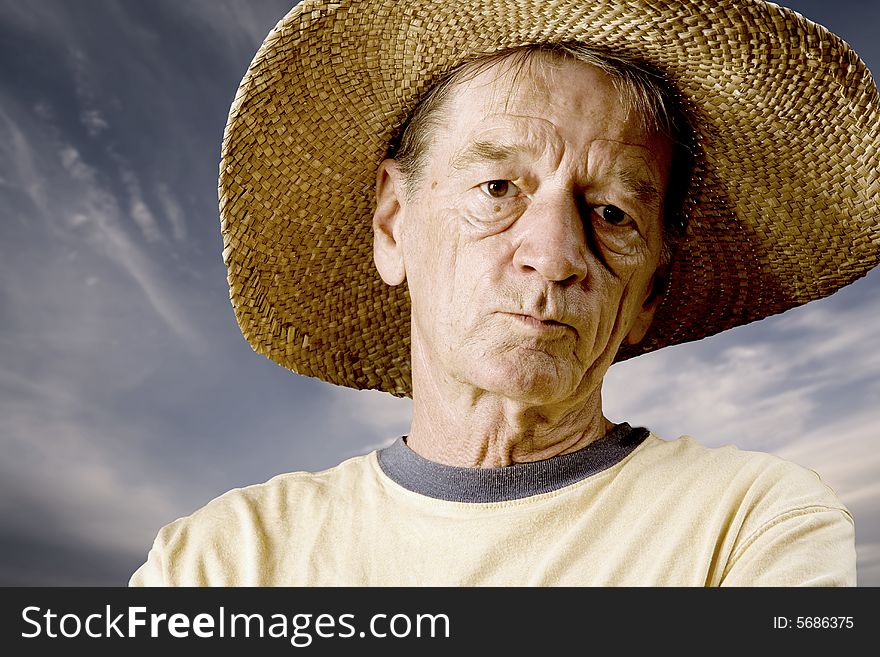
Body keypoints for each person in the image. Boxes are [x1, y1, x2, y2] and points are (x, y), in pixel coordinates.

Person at [130, 0, 878, 586]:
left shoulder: (750, 523)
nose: (554, 255)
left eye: (613, 212)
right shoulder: (218, 565)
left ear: (652, 287)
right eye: (497, 188)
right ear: (392, 223)